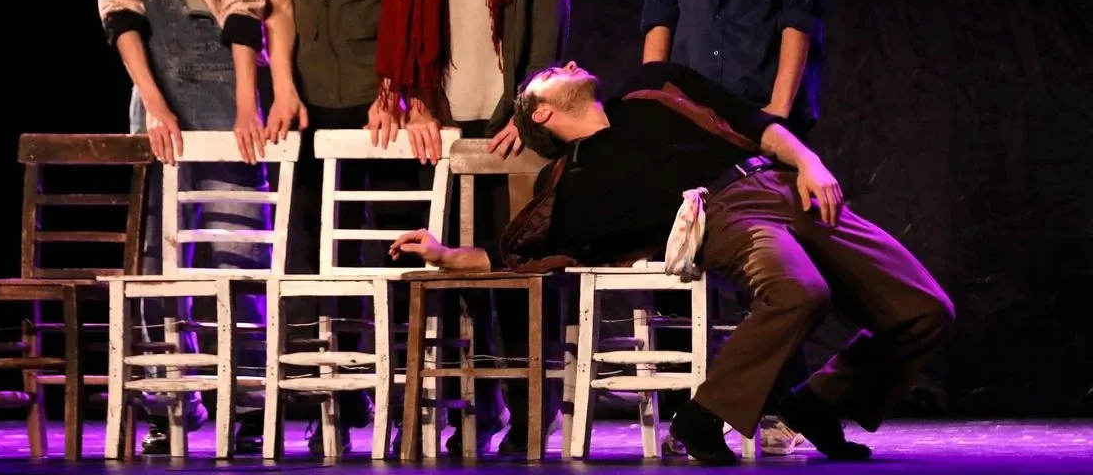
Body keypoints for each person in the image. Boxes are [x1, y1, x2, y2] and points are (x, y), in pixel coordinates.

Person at [388, 61, 956, 466]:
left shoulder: (652, 86)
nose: (572, 62)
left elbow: (751, 121)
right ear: (542, 110)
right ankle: (702, 417)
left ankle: (818, 402)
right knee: (798, 290)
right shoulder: (569, 190)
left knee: (925, 311)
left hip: (784, 183)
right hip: (720, 213)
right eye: (555, 70)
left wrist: (808, 162)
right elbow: (512, 253)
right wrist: (443, 252)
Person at [94, 0, 297, 455]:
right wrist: (153, 105)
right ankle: (169, 403)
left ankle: (248, 402)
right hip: (156, 96)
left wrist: (245, 105)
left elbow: (243, 12)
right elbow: (122, 16)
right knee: (158, 261)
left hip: (224, 88)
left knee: (237, 251)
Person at [640, 0, 837, 452]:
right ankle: (682, 410)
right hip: (692, 105)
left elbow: (799, 13)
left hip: (763, 104)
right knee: (681, 243)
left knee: (771, 258)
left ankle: (781, 408)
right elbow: (660, 4)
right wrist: (651, 99)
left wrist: (776, 114)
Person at [375, 0, 571, 455]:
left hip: (510, 121)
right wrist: (413, 100)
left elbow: (548, 22)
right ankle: (475, 408)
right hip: (440, 120)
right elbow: (398, 9)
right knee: (450, 276)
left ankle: (530, 410)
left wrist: (528, 108)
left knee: (514, 269)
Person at [252, 0, 416, 454]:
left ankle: (408, 395)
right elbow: (279, 1)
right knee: (318, 252)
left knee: (400, 246)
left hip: (378, 92)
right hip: (312, 94)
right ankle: (337, 400)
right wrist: (283, 88)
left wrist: (394, 85)